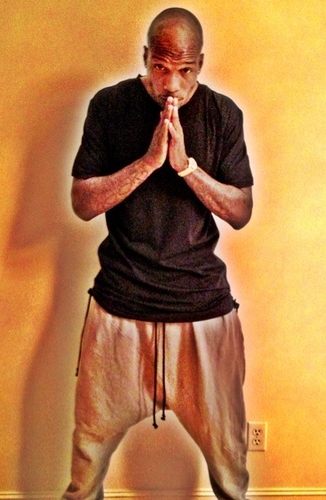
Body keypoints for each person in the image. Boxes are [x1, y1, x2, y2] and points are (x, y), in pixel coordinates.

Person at [63, 7, 253, 500]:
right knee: (86, 465)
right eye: (161, 67)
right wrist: (149, 162)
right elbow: (83, 202)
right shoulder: (110, 106)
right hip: (119, 308)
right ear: (146, 57)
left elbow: (240, 211)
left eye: (185, 69)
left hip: (202, 310)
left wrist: (186, 167)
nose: (172, 84)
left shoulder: (222, 115)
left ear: (200, 64)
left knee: (230, 466)